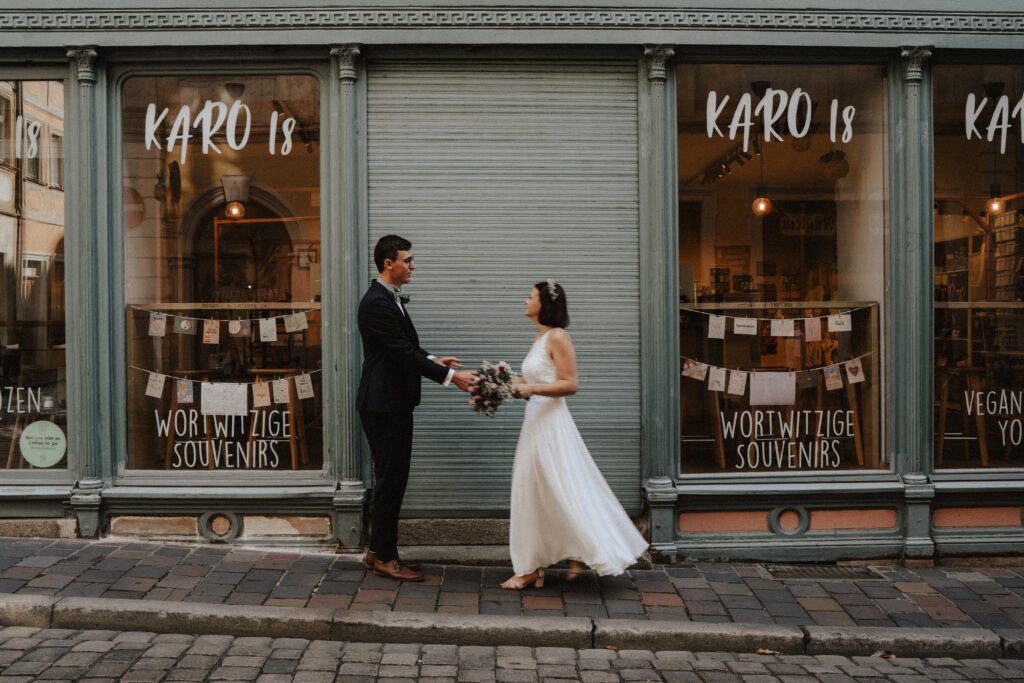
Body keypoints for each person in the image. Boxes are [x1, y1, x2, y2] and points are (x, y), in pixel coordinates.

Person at [501, 279, 648, 590]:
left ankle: (545, 562)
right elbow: (535, 382)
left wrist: (532, 387)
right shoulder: (539, 338)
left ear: (545, 304)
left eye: (530, 296)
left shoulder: (558, 337)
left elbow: (570, 384)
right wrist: (504, 384)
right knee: (534, 491)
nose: (525, 300)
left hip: (552, 425)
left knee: (561, 488)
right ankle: (533, 565)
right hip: (535, 421)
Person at [358, 234, 476, 581]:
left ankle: (379, 550)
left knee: (393, 479)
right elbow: (400, 353)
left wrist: (433, 360)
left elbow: (404, 348)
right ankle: (385, 558)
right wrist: (451, 376)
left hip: (391, 402)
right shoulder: (378, 302)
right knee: (391, 480)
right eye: (407, 260)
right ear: (388, 264)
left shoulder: (388, 299)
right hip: (383, 405)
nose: (413, 265)